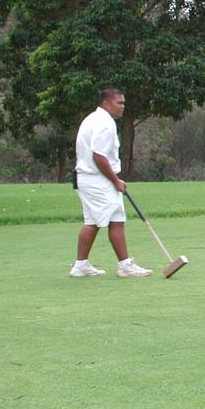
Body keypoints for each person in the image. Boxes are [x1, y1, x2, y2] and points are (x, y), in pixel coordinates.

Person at [70, 89, 152, 278]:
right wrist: (115, 180)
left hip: (89, 178)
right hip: (97, 179)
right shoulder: (105, 124)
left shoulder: (92, 119)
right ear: (106, 103)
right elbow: (98, 157)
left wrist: (115, 179)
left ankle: (81, 265)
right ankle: (124, 265)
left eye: (124, 103)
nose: (123, 107)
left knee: (92, 222)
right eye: (119, 103)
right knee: (116, 219)